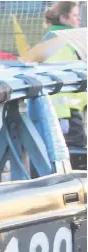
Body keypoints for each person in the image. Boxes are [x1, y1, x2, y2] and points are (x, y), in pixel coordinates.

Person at [43, 1, 87, 149]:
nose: (78, 19)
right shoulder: (60, 42)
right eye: (75, 15)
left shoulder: (58, 38)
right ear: (63, 18)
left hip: (68, 109)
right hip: (65, 111)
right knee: (75, 151)